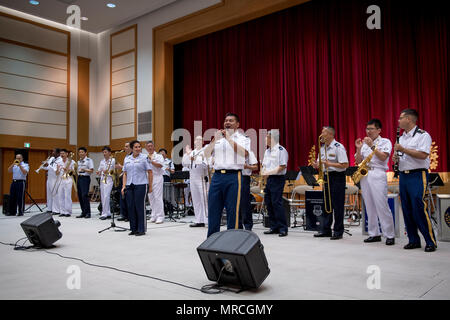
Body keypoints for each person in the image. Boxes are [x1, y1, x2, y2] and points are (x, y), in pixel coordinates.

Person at [394, 108, 437, 252]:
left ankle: (430, 241)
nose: (398, 121)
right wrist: (396, 157)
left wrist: (403, 150)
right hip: (403, 175)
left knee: (418, 207)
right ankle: (413, 240)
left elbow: (423, 155)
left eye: (401, 118)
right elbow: (402, 155)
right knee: (406, 208)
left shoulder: (422, 135)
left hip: (417, 175)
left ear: (409, 119)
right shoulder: (402, 137)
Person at [204, 112, 250, 237]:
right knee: (213, 209)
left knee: (232, 211)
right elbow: (206, 154)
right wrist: (214, 141)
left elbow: (244, 154)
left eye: (231, 120)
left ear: (237, 124)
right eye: (226, 121)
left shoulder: (243, 139)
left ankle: (231, 240)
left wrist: (228, 139)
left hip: (234, 176)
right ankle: (211, 239)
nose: (227, 123)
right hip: (217, 176)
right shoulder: (218, 139)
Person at [355, 119, 395, 245]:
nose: (368, 131)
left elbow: (383, 157)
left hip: (378, 173)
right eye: (367, 129)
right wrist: (358, 148)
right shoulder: (364, 143)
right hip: (365, 174)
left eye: (371, 129)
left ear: (379, 130)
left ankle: (389, 234)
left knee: (381, 204)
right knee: (369, 205)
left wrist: (372, 145)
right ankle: (374, 233)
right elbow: (358, 161)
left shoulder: (385, 142)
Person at [312, 126, 349, 240]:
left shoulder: (338, 147)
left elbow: (345, 165)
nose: (321, 135)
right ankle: (326, 229)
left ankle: (338, 231)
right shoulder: (322, 148)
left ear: (331, 135)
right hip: (326, 177)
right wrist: (316, 165)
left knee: (337, 205)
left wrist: (330, 164)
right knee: (327, 205)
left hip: (337, 177)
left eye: (324, 132)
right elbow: (321, 163)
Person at [122, 140, 153, 236]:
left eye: (139, 147)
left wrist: (150, 186)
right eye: (136, 147)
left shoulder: (144, 158)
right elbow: (125, 173)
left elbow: (150, 172)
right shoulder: (127, 159)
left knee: (139, 207)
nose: (138, 148)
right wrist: (123, 186)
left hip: (141, 185)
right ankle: (133, 228)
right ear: (132, 148)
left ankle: (141, 229)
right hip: (129, 185)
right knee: (131, 207)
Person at [262, 130, 289, 237]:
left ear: (272, 138)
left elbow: (282, 166)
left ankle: (283, 228)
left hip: (277, 179)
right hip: (268, 179)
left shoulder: (281, 150)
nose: (265, 139)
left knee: (276, 203)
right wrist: (263, 173)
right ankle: (273, 226)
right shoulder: (267, 151)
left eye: (267, 137)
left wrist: (268, 173)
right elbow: (264, 165)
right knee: (269, 203)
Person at [188, 136, 209, 227]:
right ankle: (199, 220)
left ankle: (207, 219)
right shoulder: (192, 152)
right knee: (196, 200)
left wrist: (196, 159)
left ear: (203, 142)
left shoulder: (205, 152)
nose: (198, 141)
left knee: (204, 200)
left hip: (201, 178)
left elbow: (206, 165)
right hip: (193, 178)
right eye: (196, 140)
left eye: (200, 140)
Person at [146, 141, 165, 223]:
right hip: (148, 178)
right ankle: (153, 215)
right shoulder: (144, 156)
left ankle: (160, 216)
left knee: (157, 197)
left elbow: (160, 165)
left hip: (157, 177)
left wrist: (151, 161)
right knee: (151, 198)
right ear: (146, 148)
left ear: (154, 147)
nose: (150, 147)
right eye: (148, 146)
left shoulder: (159, 156)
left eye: (151, 146)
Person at [241, 149, 258, 231]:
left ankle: (248, 225)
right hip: (235, 177)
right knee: (236, 202)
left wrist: (247, 166)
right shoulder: (235, 152)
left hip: (244, 177)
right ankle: (238, 224)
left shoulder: (251, 153)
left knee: (245, 202)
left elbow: (256, 167)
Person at [97, 146, 115, 220]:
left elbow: (115, 170)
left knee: (106, 196)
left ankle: (104, 214)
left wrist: (109, 171)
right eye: (103, 152)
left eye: (106, 152)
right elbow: (99, 170)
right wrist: (99, 172)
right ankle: (107, 212)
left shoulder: (113, 160)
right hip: (102, 179)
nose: (104, 153)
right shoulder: (102, 161)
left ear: (109, 153)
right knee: (103, 196)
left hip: (109, 179)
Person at [55, 149, 75, 217]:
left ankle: (68, 212)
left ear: (67, 154)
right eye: (61, 153)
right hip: (60, 180)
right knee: (60, 196)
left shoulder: (71, 161)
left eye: (63, 153)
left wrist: (68, 170)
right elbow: (56, 173)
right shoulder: (58, 162)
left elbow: (74, 172)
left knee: (67, 196)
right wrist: (58, 169)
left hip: (68, 179)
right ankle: (62, 211)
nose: (62, 155)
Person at [76, 147, 94, 219]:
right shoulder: (78, 161)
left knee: (84, 195)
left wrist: (85, 169)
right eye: (79, 152)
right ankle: (83, 212)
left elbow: (91, 170)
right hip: (79, 178)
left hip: (85, 178)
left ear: (85, 153)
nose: (81, 153)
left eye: (82, 152)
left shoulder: (89, 160)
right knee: (80, 196)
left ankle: (88, 213)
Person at [116, 142, 132, 222]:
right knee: (122, 197)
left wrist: (120, 167)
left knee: (129, 199)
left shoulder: (133, 156)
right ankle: (123, 214)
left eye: (127, 146)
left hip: (131, 179)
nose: (125, 148)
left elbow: (130, 168)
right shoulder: (126, 157)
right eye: (125, 146)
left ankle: (129, 215)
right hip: (125, 178)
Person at [42, 148, 60, 214]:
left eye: (54, 151)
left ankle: (56, 210)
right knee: (49, 194)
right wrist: (43, 166)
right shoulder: (52, 158)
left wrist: (48, 165)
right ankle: (49, 208)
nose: (52, 153)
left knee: (55, 194)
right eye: (53, 151)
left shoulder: (60, 160)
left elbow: (55, 169)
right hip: (49, 178)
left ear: (58, 153)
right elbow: (48, 168)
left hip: (55, 179)